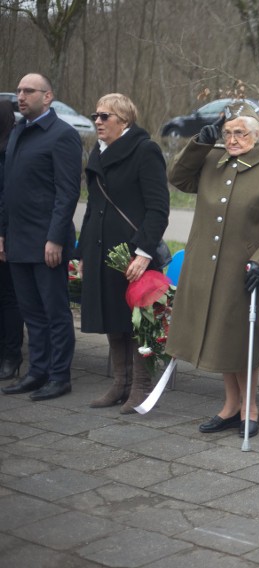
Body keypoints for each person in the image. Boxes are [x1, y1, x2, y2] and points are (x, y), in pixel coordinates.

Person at [167, 102, 259, 439]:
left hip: (245, 271)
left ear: (257, 136)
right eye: (227, 133)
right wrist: (200, 142)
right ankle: (230, 406)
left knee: (241, 340)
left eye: (240, 133)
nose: (232, 138)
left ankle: (250, 408)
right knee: (219, 338)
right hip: (206, 268)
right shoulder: (213, 159)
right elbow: (178, 178)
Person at [77, 93, 170, 413]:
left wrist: (144, 251)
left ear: (124, 121)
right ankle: (120, 383)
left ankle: (142, 386)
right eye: (96, 115)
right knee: (112, 317)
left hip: (134, 254)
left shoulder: (145, 150)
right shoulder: (98, 152)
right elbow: (93, 206)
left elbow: (158, 208)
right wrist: (83, 252)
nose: (98, 121)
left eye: (105, 116)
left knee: (139, 321)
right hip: (102, 249)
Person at [0, 73, 81, 401]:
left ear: (47, 97)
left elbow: (68, 192)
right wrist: (2, 233)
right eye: (19, 91)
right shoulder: (19, 130)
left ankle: (60, 376)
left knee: (54, 311)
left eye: (29, 91)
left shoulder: (63, 135)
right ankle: (37, 371)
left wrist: (56, 238)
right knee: (30, 311)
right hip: (17, 240)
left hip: (47, 242)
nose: (21, 96)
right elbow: (9, 190)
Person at [0, 99, 24, 382]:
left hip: (6, 233)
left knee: (8, 298)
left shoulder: (10, 151)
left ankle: (10, 355)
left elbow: (8, 198)